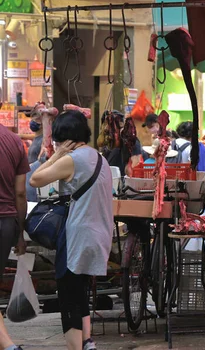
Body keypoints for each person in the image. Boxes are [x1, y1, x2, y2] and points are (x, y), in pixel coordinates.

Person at [30, 110, 113, 350]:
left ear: (65, 139)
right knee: (80, 293)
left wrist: (57, 155)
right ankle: (87, 343)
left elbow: (35, 179)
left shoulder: (73, 159)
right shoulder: (99, 158)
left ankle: (76, 347)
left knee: (68, 297)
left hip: (78, 236)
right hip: (99, 234)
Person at [0, 123, 29, 350]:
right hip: (6, 224)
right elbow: (20, 192)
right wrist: (20, 234)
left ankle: (9, 346)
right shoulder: (14, 141)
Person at [103, 111, 142, 177]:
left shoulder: (131, 140)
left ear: (121, 124)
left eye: (110, 124)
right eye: (105, 124)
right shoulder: (110, 143)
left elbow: (136, 164)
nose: (106, 128)